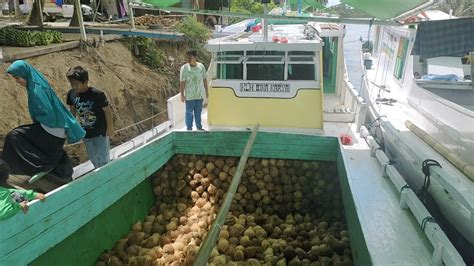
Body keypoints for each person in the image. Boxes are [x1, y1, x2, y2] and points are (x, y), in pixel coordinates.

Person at [3, 60, 85, 181]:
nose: (17, 81)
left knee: (14, 136)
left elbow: (48, 113)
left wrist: (37, 119)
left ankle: (38, 166)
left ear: (24, 74)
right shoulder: (37, 80)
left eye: (17, 78)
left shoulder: (36, 90)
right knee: (24, 132)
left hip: (51, 128)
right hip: (57, 127)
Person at [66, 66, 113, 168]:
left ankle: (106, 174)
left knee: (103, 156)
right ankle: (98, 171)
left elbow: (107, 111)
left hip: (100, 131)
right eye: (72, 84)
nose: (74, 86)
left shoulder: (97, 94)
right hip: (86, 132)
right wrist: (73, 126)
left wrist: (110, 128)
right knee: (93, 156)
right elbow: (73, 109)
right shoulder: (72, 94)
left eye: (76, 84)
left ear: (85, 82)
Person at [180, 49, 209, 131]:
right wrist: (182, 95)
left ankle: (199, 127)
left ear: (195, 57)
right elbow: (182, 82)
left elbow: (204, 79)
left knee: (198, 112)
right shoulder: (184, 68)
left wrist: (206, 91)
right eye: (187, 58)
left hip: (199, 94)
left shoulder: (201, 66)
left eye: (190, 58)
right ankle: (189, 128)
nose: (188, 60)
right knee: (189, 112)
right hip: (190, 95)